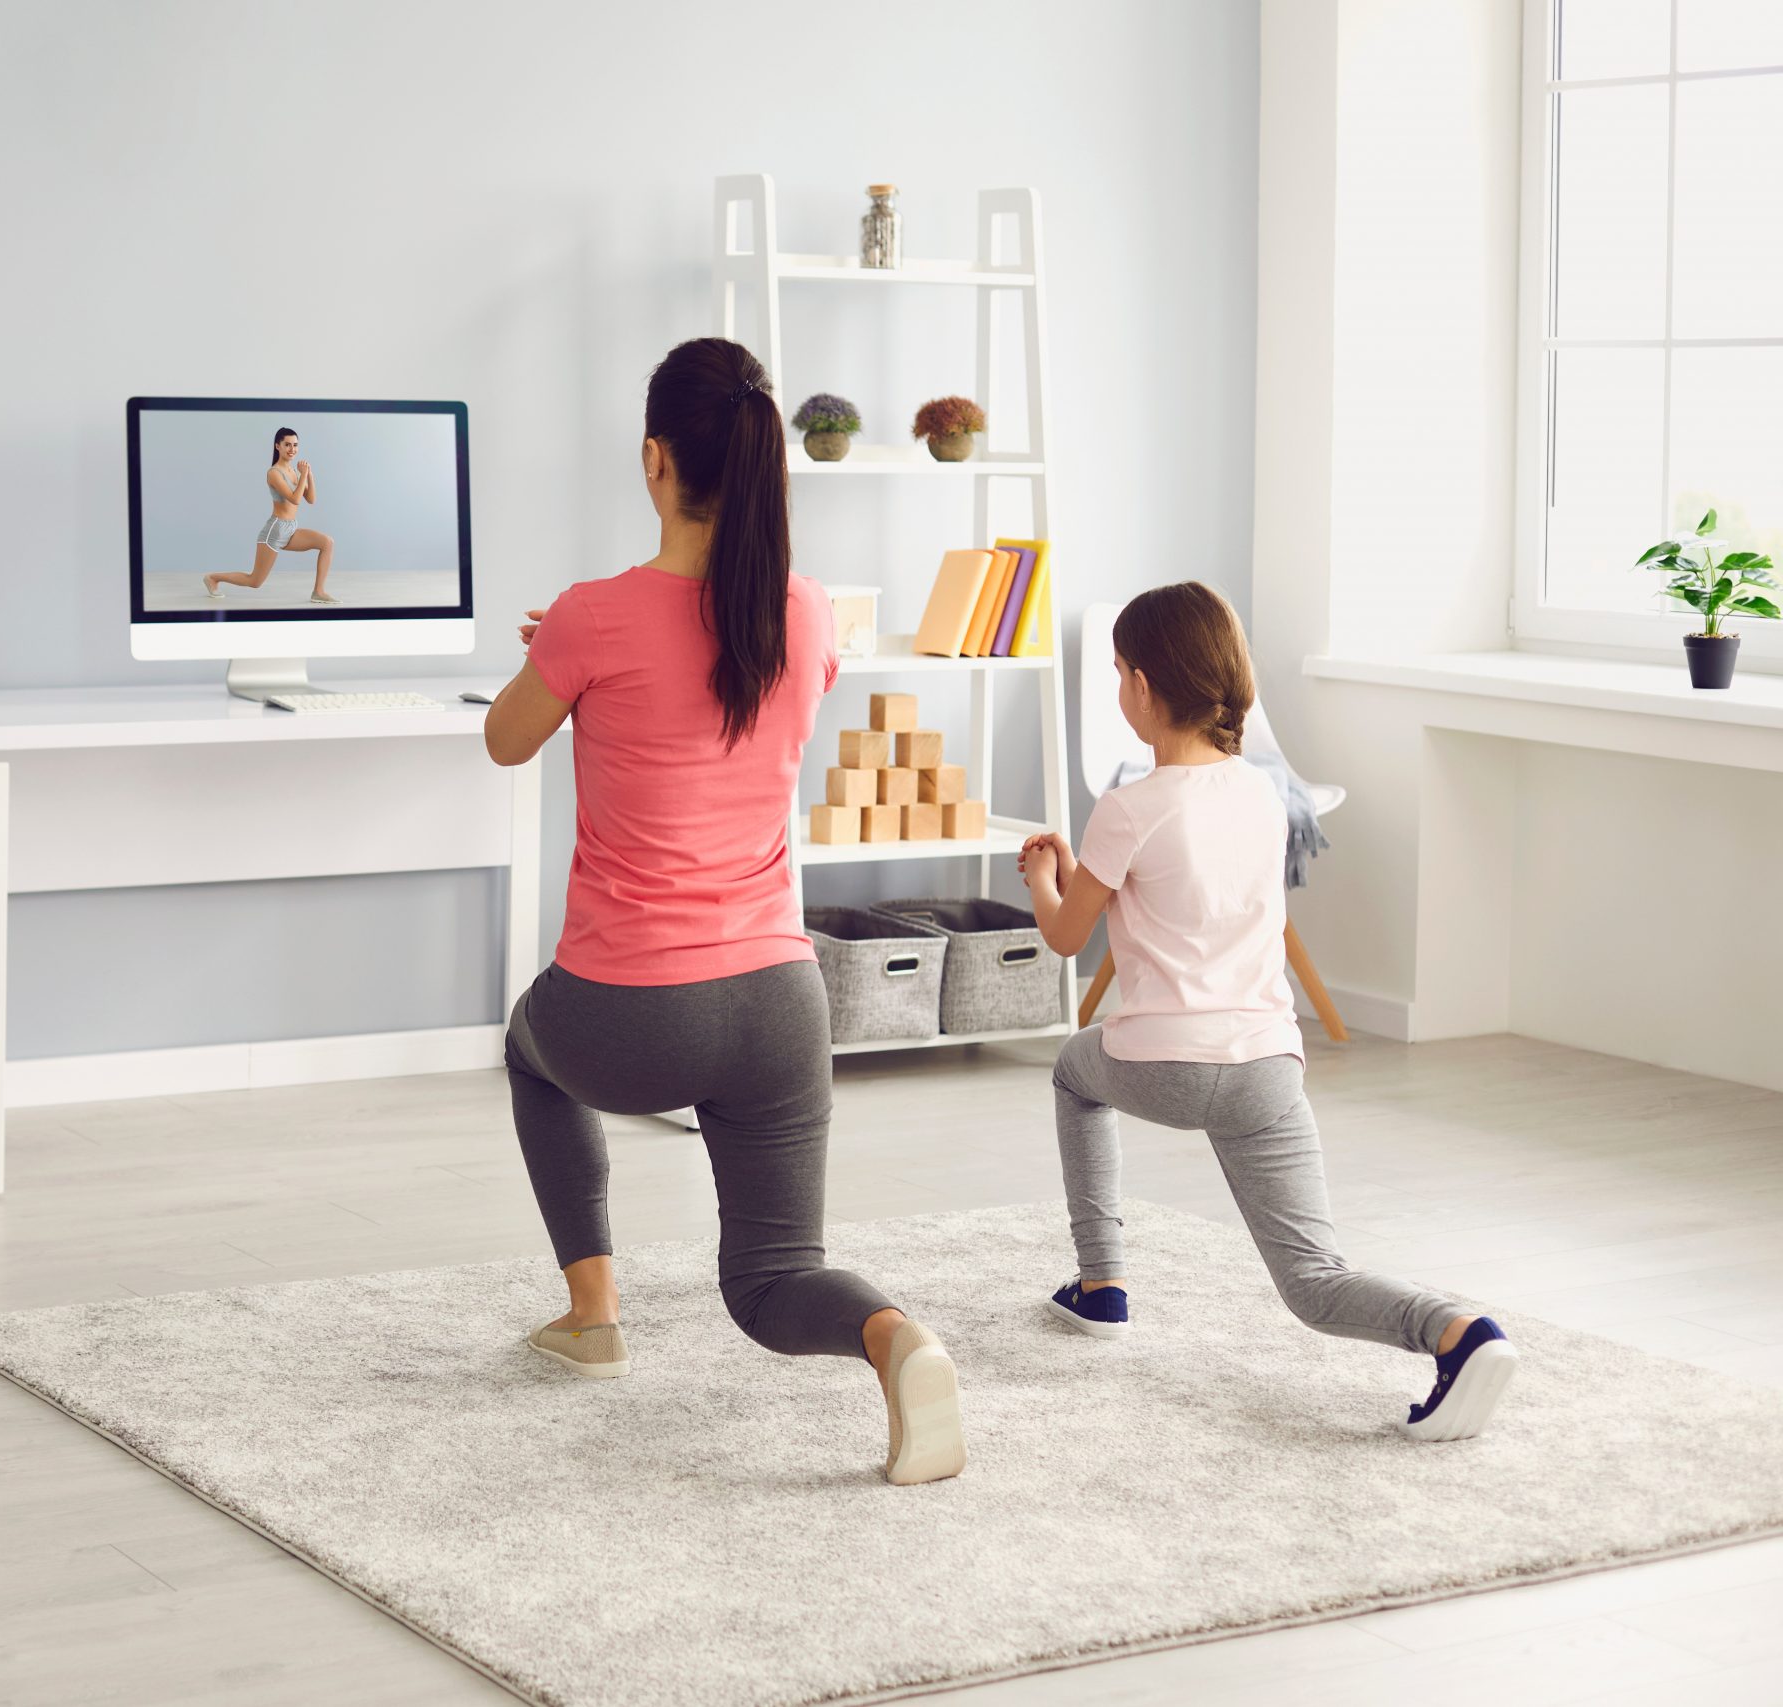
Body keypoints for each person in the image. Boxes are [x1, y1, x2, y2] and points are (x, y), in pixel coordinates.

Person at [480, 336, 965, 1486]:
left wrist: (560, 648)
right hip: (781, 1004)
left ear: (654, 460)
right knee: (770, 1276)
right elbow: (732, 665)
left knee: (528, 1048)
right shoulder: (804, 615)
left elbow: (507, 739)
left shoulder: (590, 618)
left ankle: (592, 1316)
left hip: (626, 1016)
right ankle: (898, 1340)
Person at [1018, 581, 1517, 1441]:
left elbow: (1067, 936)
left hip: (1165, 1067)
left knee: (1073, 1071)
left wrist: (1040, 874)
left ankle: (1102, 1286)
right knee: (1314, 1282)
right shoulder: (1262, 796)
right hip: (1267, 1069)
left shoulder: (1128, 806)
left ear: (1141, 685)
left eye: (1115, 674)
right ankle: (1460, 1333)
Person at [205, 426, 337, 604]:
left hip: (291, 528)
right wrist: (303, 474)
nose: (292, 449)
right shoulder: (274, 473)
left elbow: (311, 499)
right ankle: (213, 578)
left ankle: (318, 591)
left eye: (295, 445)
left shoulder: (293, 472)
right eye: (287, 445)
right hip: (274, 532)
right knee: (255, 581)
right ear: (278, 446)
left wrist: (309, 476)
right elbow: (295, 499)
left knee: (327, 543)